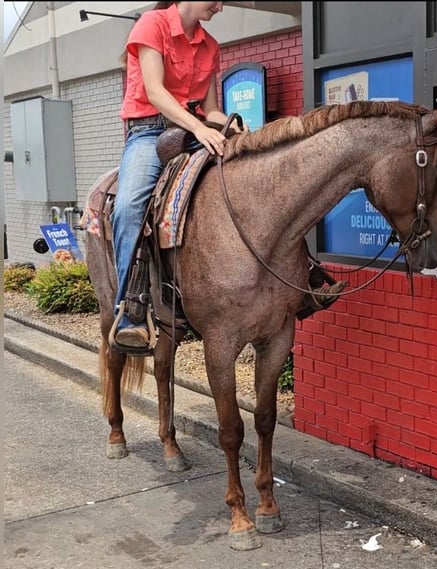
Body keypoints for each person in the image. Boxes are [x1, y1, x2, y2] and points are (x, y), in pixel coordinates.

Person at [112, 2, 344, 351]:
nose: (220, 6)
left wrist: (228, 123)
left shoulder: (209, 45)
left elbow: (210, 108)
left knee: (255, 182)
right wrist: (199, 127)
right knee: (129, 206)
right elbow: (156, 92)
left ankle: (302, 275)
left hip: (194, 130)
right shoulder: (151, 24)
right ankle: (131, 311)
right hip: (149, 132)